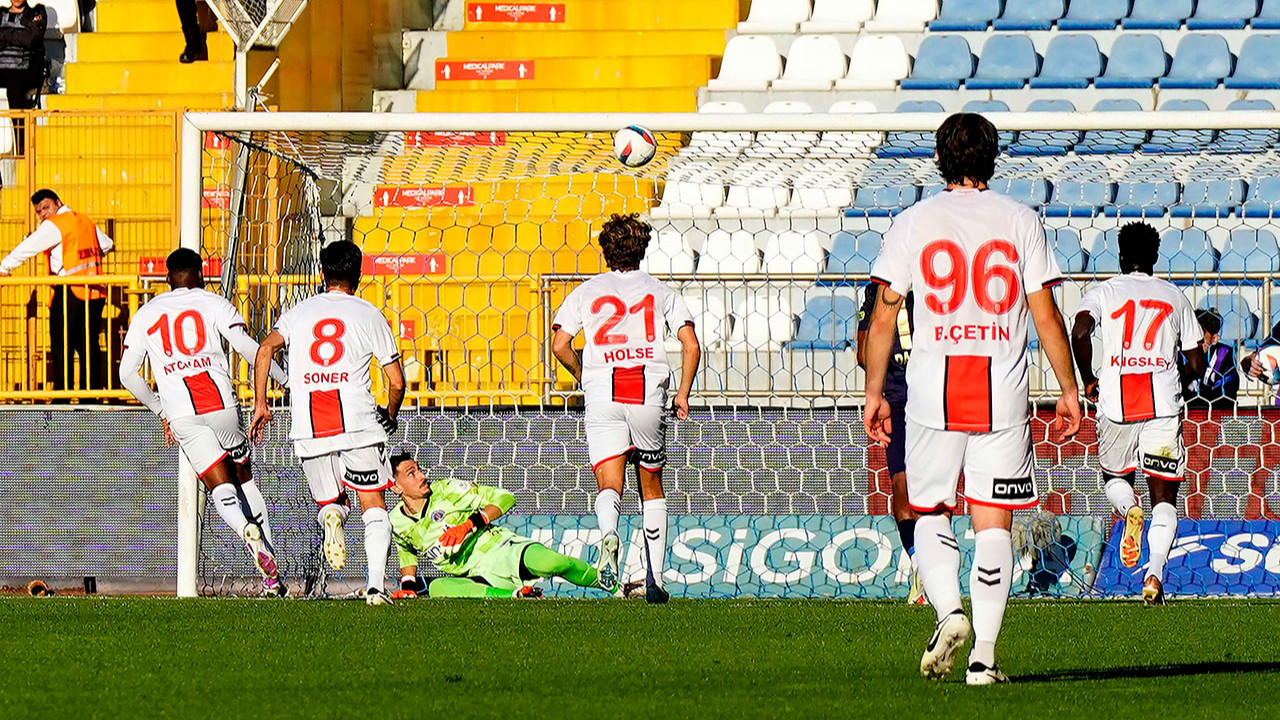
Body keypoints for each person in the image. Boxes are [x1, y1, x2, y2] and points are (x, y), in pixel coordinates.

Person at [863, 113, 1082, 686]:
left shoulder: (913, 221)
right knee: (994, 523)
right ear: (992, 158)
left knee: (929, 511)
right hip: (1002, 391)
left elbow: (885, 312)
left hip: (933, 390)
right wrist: (1068, 388)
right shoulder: (1020, 220)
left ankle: (948, 612)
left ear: (940, 159)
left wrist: (872, 392)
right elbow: (1044, 313)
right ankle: (983, 658)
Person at [119, 248, 289, 595]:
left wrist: (160, 410)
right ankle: (271, 577)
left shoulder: (147, 312)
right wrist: (284, 379)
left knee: (219, 487)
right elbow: (247, 347)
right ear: (201, 274)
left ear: (168, 277)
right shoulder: (215, 303)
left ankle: (245, 531)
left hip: (182, 413)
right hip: (221, 404)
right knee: (243, 479)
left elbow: (127, 374)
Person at [550, 213, 700, 605]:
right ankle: (655, 577)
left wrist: (584, 373)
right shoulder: (662, 291)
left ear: (604, 251)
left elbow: (559, 344)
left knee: (608, 485)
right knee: (651, 485)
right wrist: (682, 393)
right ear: (643, 249)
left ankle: (609, 537)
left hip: (603, 390)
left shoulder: (586, 291)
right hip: (647, 388)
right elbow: (691, 346)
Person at [250, 240, 405, 606]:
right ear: (359, 276)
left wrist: (260, 404)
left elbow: (264, 349)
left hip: (309, 424)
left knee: (330, 502)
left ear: (322, 275)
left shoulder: (298, 313)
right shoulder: (369, 314)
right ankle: (376, 588)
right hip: (357, 420)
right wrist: (391, 413)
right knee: (373, 503)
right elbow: (396, 381)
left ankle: (333, 515)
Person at [1071, 222, 1207, 606]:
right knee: (1164, 498)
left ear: (1119, 256)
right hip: (1162, 403)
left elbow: (1080, 332)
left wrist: (1089, 379)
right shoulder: (1174, 296)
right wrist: (1175, 377)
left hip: (1116, 399)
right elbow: (1197, 363)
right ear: (1156, 258)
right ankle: (1154, 574)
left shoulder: (1103, 291)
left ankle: (1130, 509)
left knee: (1115, 477)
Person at [386, 453, 621, 599]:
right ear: (396, 487)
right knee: (438, 588)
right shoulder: (396, 521)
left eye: (419, 469)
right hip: (476, 575)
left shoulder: (447, 490)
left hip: (502, 550)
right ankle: (515, 595)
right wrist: (408, 585)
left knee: (553, 562)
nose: (422, 475)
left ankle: (615, 587)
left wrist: (469, 524)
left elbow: (506, 497)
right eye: (412, 473)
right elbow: (407, 552)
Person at [0, 189, 113, 393]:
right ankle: (92, 395)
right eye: (39, 211)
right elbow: (107, 244)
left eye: (46, 207)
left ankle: (63, 395)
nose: (43, 214)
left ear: (58, 203)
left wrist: (4, 267)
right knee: (88, 346)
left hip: (69, 290)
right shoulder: (84, 220)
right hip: (95, 290)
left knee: (62, 345)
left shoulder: (55, 224)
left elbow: (28, 247)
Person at [856, 285, 923, 604]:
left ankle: (919, 562)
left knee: (903, 487)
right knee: (933, 489)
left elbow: (861, 354)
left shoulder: (877, 292)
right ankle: (927, 566)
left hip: (902, 398)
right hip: (925, 397)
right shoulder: (930, 283)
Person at [1184, 309, 1238, 409]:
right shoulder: (1178, 354)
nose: (1195, 341)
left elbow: (1227, 398)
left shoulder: (1224, 356)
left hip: (1215, 418)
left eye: (1200, 336)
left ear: (1214, 339)